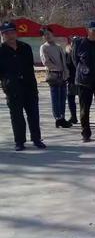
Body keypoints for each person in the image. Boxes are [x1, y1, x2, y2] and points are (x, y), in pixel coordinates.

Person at [0, 21, 46, 151]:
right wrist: (7, 83)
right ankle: (19, 141)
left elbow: (30, 68)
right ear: (3, 35)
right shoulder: (1, 50)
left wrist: (34, 87)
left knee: (33, 115)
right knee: (17, 116)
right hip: (13, 89)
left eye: (12, 32)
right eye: (6, 33)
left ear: (16, 33)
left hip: (29, 87)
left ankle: (36, 139)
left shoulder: (25, 47)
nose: (10, 35)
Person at [39, 27, 72, 129]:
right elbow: (46, 62)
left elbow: (64, 61)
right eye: (45, 35)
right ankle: (57, 118)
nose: (47, 36)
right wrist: (58, 68)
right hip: (53, 75)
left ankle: (62, 117)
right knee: (55, 98)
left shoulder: (58, 47)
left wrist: (65, 72)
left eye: (49, 34)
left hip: (62, 75)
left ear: (53, 34)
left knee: (62, 98)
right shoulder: (44, 47)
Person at [65, 37, 79, 124]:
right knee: (81, 100)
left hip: (73, 79)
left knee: (71, 98)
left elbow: (66, 65)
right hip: (76, 79)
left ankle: (74, 117)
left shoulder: (69, 53)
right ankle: (75, 116)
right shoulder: (81, 52)